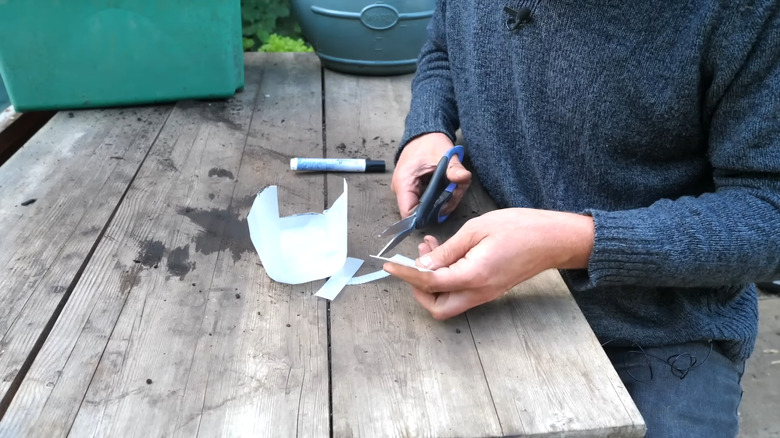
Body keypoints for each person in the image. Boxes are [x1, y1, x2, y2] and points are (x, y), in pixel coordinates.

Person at [383, 1, 780, 437]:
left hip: (657, 328)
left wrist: (578, 241)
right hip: (486, 289)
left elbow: (768, 209)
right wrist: (427, 130)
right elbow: (444, 45)